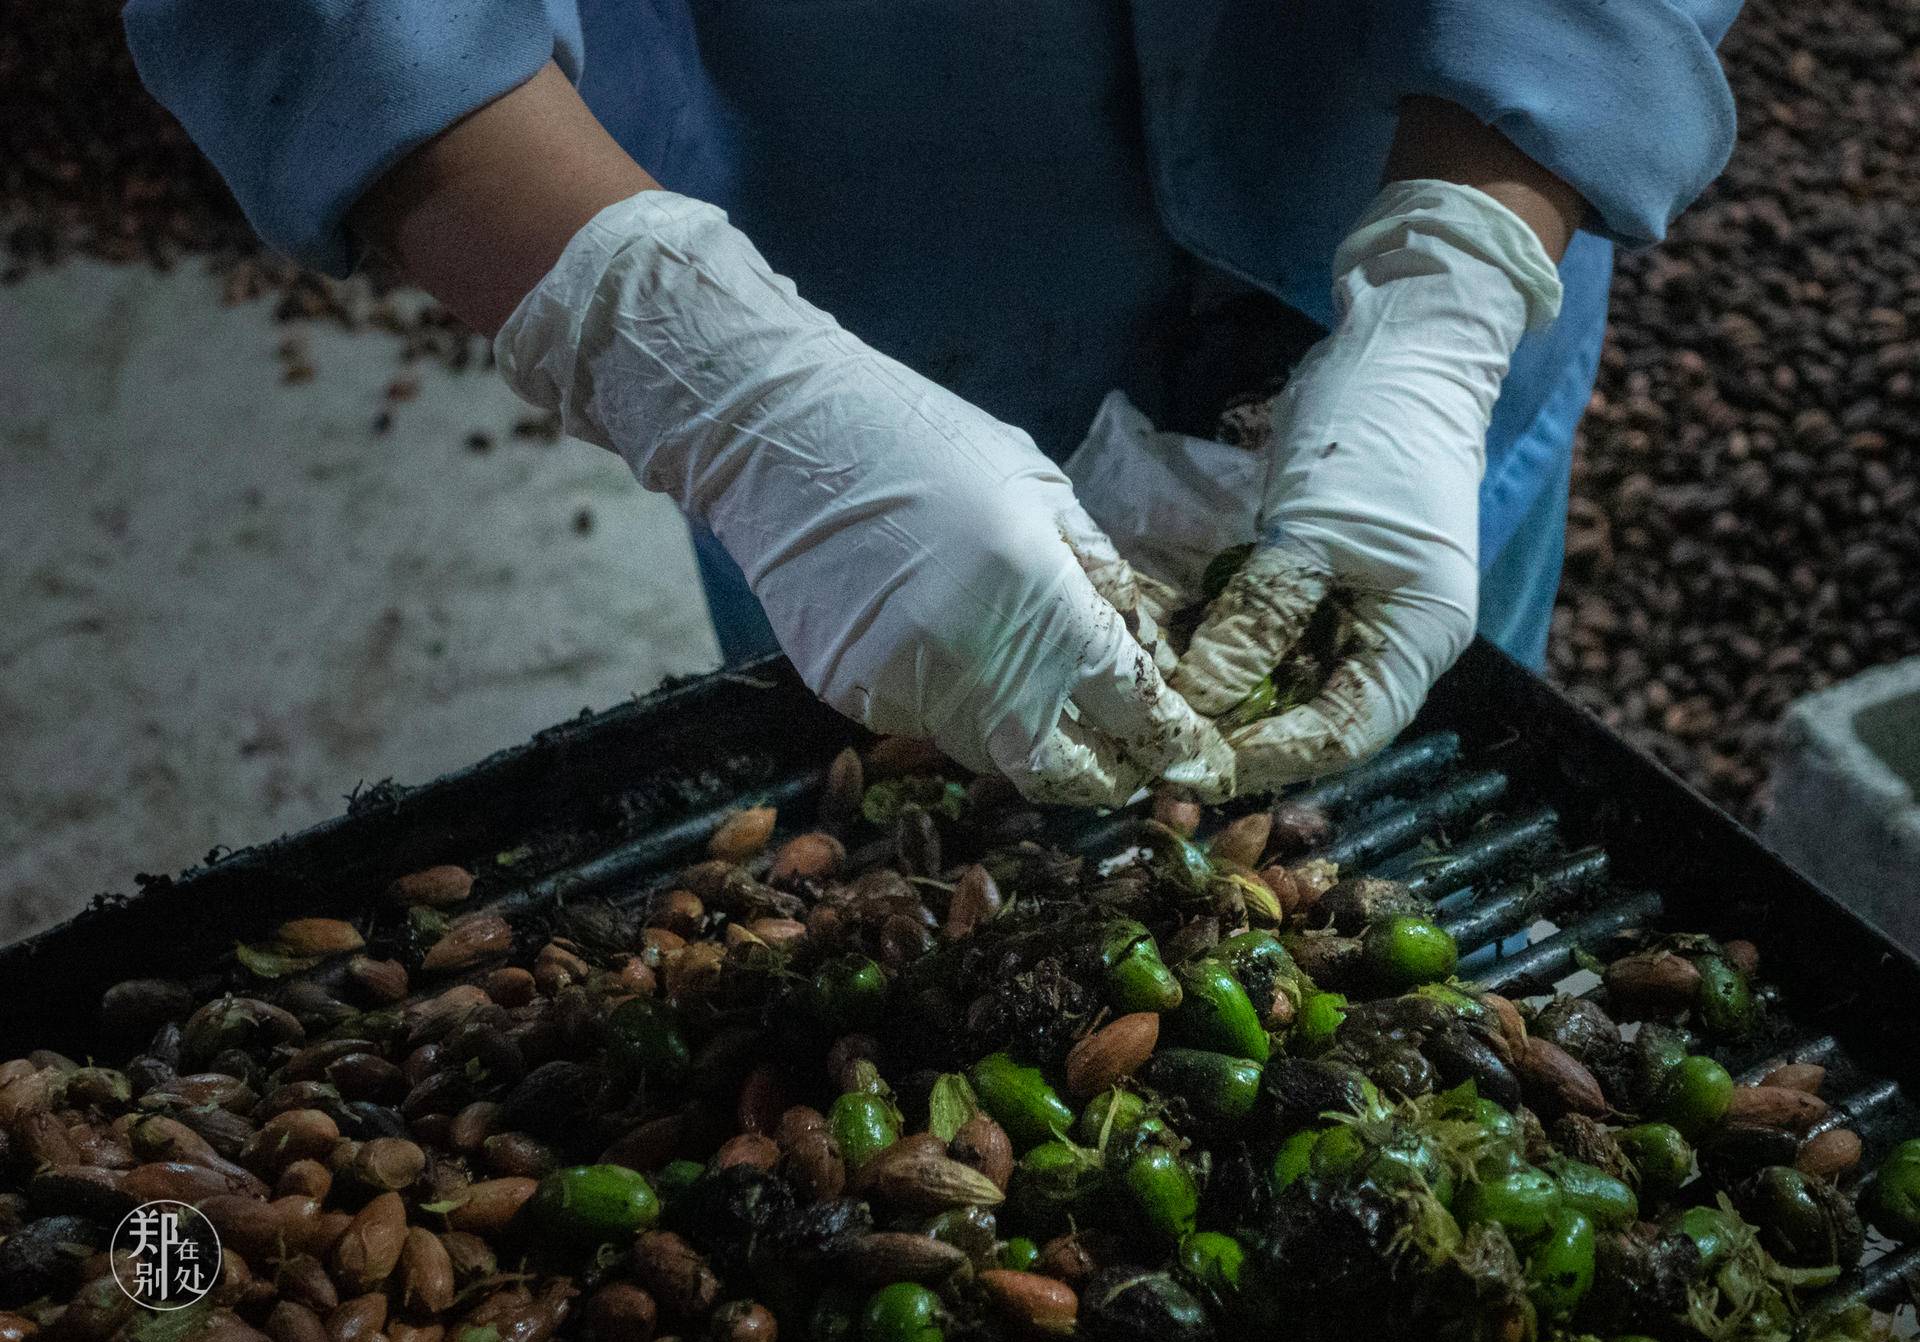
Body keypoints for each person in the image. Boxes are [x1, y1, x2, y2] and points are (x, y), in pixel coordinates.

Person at [123, 0, 1740, 805]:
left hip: (1438, 204)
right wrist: (702, 371)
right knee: (885, 837)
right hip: (854, 295)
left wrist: (1460, 273)